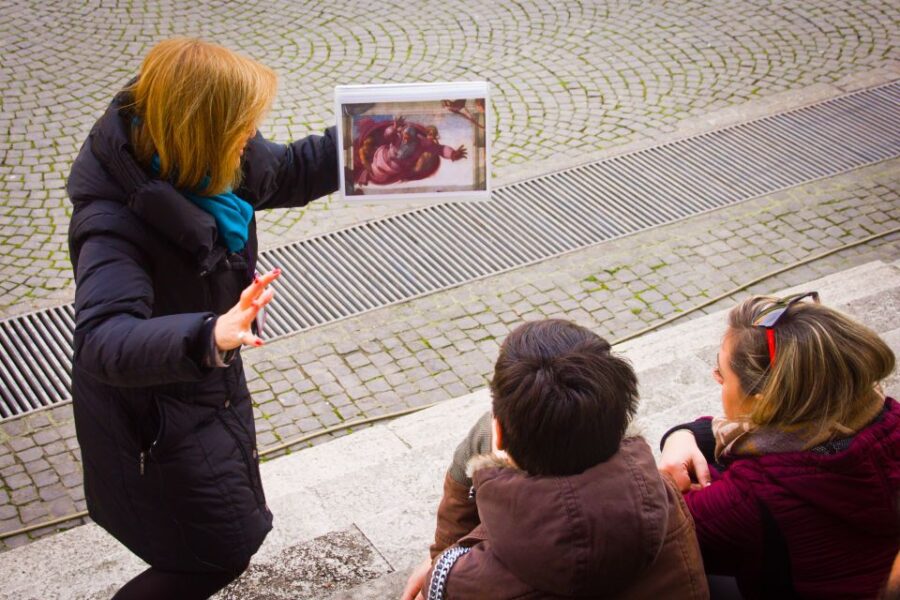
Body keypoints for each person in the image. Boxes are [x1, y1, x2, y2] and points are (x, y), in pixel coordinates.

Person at [66, 38, 337, 599]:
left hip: (201, 389)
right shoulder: (112, 222)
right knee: (219, 550)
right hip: (157, 414)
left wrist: (377, 134)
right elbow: (101, 338)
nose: (251, 139)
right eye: (242, 130)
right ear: (204, 134)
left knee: (224, 540)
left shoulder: (207, 155)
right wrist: (208, 333)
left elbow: (288, 171)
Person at [403, 319, 709, 599]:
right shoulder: (666, 501)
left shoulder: (461, 581)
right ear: (619, 427)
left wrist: (442, 564)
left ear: (498, 436)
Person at [658, 292, 899, 598]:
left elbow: (659, 534)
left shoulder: (750, 497)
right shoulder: (887, 414)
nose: (717, 379)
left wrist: (673, 455)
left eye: (721, 374)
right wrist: (684, 434)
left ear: (765, 402)